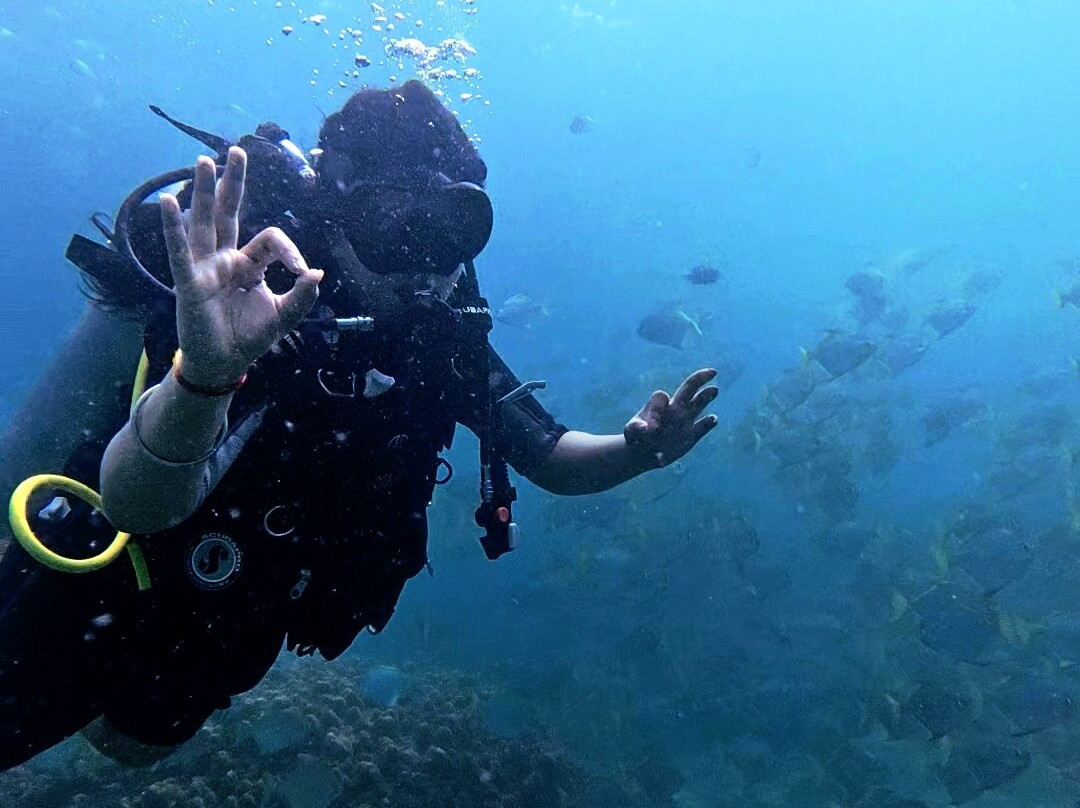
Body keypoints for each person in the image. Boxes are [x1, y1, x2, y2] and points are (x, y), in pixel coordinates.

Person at [0, 80, 719, 770]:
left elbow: (553, 455)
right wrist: (207, 376)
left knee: (130, 747)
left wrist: (635, 452)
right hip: (102, 587)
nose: (423, 265)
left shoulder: (437, 335)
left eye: (452, 228)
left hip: (228, 622)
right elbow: (137, 504)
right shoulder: (252, 312)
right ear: (337, 219)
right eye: (392, 226)